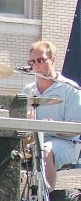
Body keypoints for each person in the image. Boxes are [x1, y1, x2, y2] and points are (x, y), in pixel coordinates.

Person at [22, 40, 81, 190]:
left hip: (66, 143)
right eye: (32, 61)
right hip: (35, 140)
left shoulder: (70, 89)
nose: (36, 65)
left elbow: (75, 129)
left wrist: (51, 127)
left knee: (45, 151)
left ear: (53, 60)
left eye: (41, 60)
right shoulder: (28, 90)